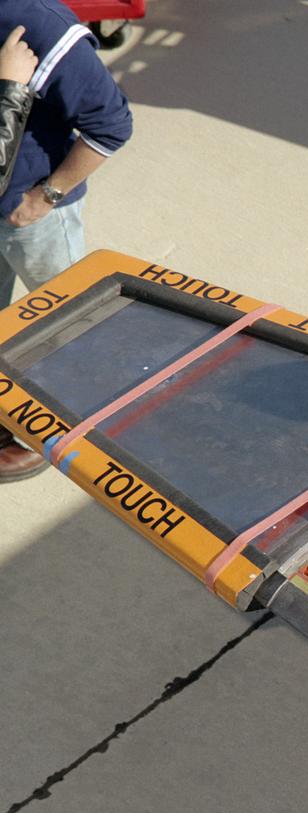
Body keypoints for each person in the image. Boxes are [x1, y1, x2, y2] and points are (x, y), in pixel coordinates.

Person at [0, 1, 133, 483]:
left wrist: (46, 196)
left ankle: (50, 427)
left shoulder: (37, 25)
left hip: (27, 215)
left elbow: (112, 124)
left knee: (64, 323)